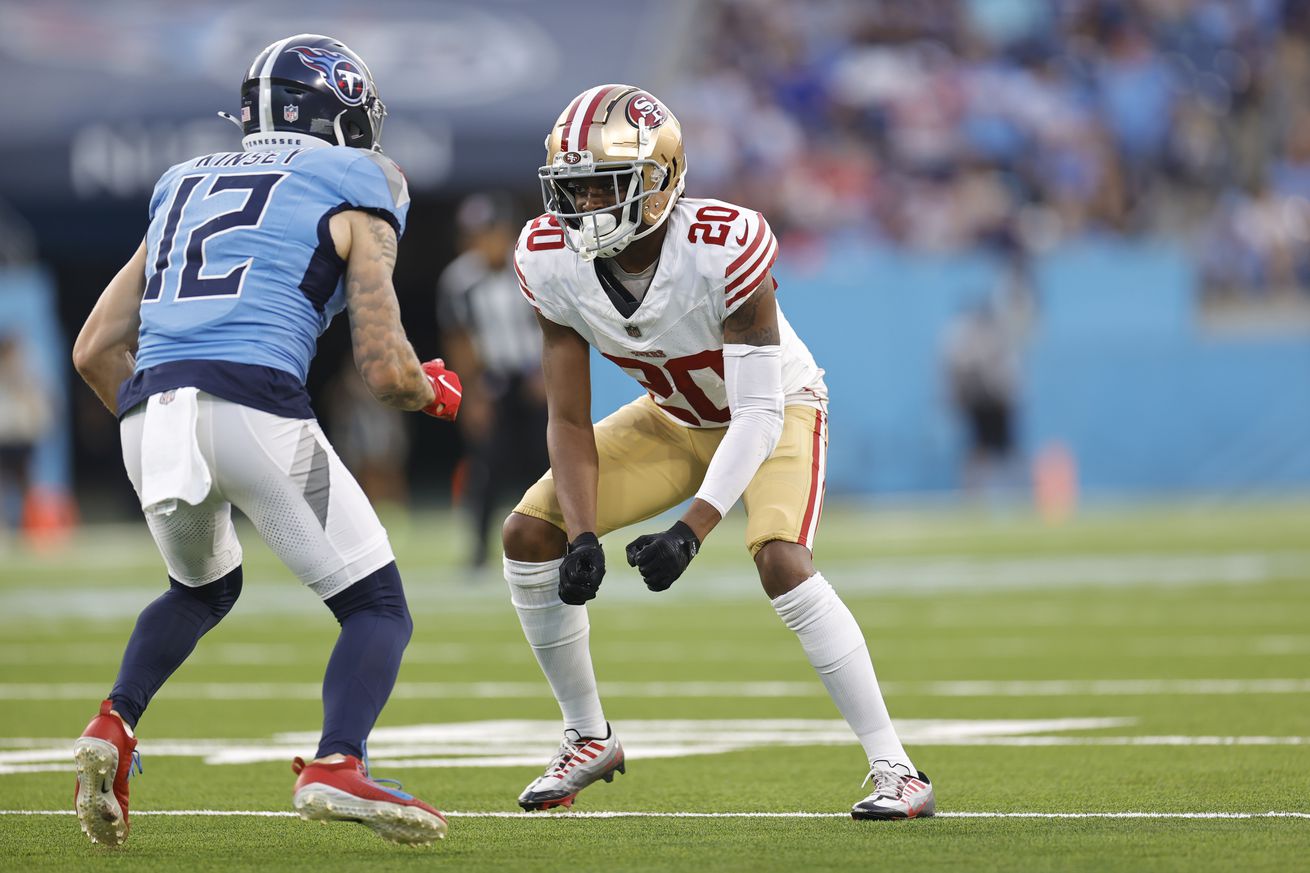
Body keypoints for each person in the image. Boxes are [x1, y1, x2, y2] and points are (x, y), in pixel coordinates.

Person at [69, 34, 462, 847]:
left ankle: (114, 721)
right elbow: (385, 368)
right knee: (376, 605)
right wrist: (434, 392)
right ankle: (336, 762)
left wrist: (166, 434)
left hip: (150, 409)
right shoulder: (364, 179)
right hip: (254, 402)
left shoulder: (183, 181)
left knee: (201, 588)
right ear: (337, 112)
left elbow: (93, 347)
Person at [503, 84, 934, 821]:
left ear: (661, 179)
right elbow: (569, 419)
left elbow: (760, 411)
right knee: (528, 534)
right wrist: (578, 533)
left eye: (603, 186)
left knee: (779, 557)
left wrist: (690, 530)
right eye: (570, 188)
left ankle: (896, 766)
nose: (583, 207)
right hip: (672, 419)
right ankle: (586, 735)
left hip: (777, 408)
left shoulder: (723, 245)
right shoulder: (549, 259)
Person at [436, 193, 548, 570]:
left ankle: (559, 538)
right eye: (474, 235)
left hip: (536, 377)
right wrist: (474, 393)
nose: (481, 243)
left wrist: (548, 375)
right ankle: (480, 551)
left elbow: (555, 326)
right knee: (487, 466)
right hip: (492, 381)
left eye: (488, 233)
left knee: (548, 461)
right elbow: (458, 337)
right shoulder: (459, 281)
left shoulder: (532, 268)